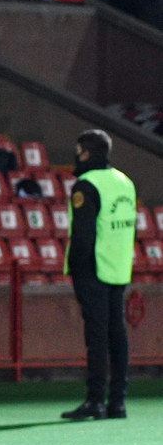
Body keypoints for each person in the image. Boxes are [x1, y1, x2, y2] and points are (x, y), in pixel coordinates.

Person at [61, 130, 135, 421]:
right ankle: (117, 402)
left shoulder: (87, 185)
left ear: (87, 153)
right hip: (118, 267)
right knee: (118, 334)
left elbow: (82, 235)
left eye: (79, 150)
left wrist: (76, 268)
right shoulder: (124, 181)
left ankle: (95, 400)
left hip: (93, 268)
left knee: (97, 336)